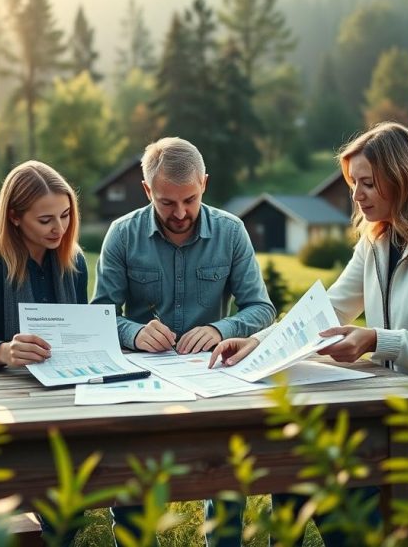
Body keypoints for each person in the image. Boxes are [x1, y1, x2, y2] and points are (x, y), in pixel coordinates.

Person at [210, 122, 408, 545]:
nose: (356, 195)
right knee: (296, 461)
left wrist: (375, 339)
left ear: (401, 179)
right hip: (394, 411)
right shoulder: (377, 239)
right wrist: (259, 341)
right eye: (353, 183)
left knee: (336, 485)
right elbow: (326, 310)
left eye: (368, 183)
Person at [92, 137, 277, 546]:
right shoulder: (122, 235)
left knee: (227, 481)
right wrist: (134, 332)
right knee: (131, 483)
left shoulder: (232, 232)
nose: (180, 214)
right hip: (142, 381)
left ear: (204, 184)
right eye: (166, 203)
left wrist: (221, 329)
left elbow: (262, 309)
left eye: (189, 200)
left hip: (215, 380)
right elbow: (100, 316)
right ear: (146, 191)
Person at [0, 160, 87, 544]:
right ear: (15, 217)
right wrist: (4, 351)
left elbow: (81, 333)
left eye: (65, 215)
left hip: (66, 398)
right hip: (6, 406)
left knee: (72, 507)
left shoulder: (74, 261)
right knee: (56, 502)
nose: (59, 228)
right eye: (46, 220)